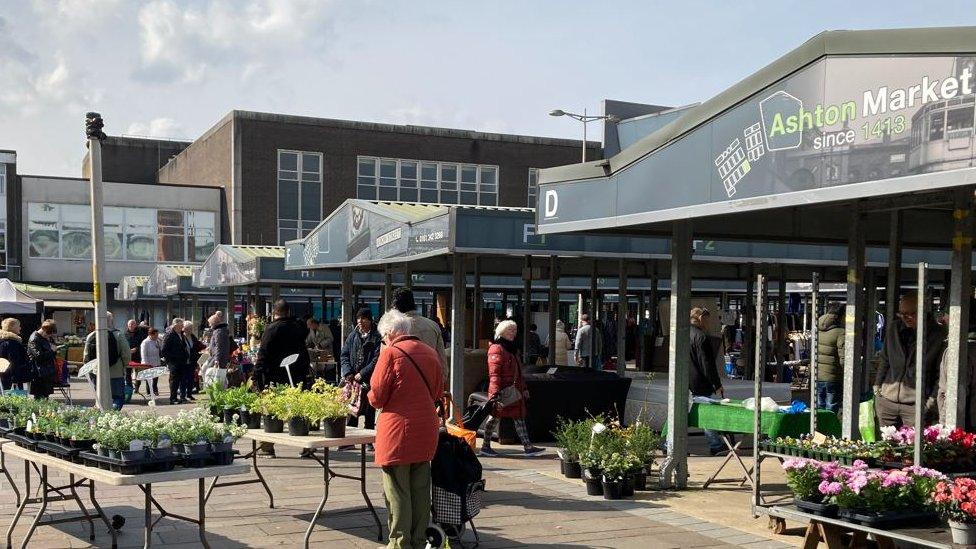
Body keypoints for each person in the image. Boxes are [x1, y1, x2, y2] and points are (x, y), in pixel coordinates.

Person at [368, 309, 444, 549]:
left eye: (383, 338)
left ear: (390, 333)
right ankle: (419, 540)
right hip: (426, 429)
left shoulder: (391, 354)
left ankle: (399, 543)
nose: (384, 342)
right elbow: (437, 392)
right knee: (420, 489)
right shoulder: (431, 353)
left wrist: (367, 395)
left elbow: (378, 397)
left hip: (398, 431)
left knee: (397, 489)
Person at [875, 294, 947, 428]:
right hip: (887, 401)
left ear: (924, 312)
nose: (906, 318)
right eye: (902, 314)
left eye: (911, 314)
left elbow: (940, 374)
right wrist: (877, 388)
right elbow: (885, 360)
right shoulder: (894, 329)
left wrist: (929, 403)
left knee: (912, 447)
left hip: (916, 405)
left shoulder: (937, 335)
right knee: (886, 446)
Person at [480, 320, 545, 458]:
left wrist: (524, 388)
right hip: (503, 391)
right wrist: (495, 393)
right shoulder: (497, 348)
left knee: (518, 417)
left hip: (513, 390)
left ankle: (527, 447)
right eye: (510, 330)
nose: (513, 333)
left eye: (514, 330)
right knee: (494, 418)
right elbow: (494, 374)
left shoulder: (512, 349)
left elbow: (519, 372)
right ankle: (486, 446)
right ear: (502, 331)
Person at [689, 307, 726, 456]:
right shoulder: (701, 337)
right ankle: (715, 444)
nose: (709, 323)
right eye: (707, 320)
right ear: (701, 319)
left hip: (684, 381)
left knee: (682, 413)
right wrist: (717, 384)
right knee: (706, 414)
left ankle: (669, 442)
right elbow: (707, 365)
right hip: (700, 382)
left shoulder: (682, 334)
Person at [392, 288, 450, 382]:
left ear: (395, 307)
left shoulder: (393, 328)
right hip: (429, 381)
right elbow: (442, 361)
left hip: (403, 384)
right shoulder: (433, 325)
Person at [340, 308, 382, 433]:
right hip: (353, 381)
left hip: (369, 381)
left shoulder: (377, 337)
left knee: (369, 412)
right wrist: (348, 372)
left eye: (363, 318)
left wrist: (362, 373)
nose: (360, 321)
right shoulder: (353, 336)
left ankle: (368, 442)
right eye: (358, 318)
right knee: (352, 412)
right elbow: (344, 355)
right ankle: (349, 442)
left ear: (370, 320)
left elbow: (377, 359)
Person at [937, 298, 976, 430]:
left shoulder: (957, 351)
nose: (944, 319)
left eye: (947, 314)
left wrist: (944, 425)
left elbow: (954, 394)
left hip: (966, 423)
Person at [255, 299, 311, 389]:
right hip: (297, 374)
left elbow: (263, 354)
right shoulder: (298, 327)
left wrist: (256, 374)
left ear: (274, 312)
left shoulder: (271, 329)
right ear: (288, 312)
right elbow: (303, 349)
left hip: (276, 375)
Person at [83, 313, 131, 410]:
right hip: (116, 372)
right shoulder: (118, 335)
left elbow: (86, 357)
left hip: (98, 373)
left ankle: (102, 417)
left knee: (100, 398)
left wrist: (92, 370)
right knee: (118, 397)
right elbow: (126, 354)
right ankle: (113, 413)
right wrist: (123, 365)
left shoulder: (91, 336)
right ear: (111, 321)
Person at [815, 302, 846, 414]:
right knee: (831, 406)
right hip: (833, 376)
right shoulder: (840, 332)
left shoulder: (817, 329)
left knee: (819, 406)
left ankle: (819, 429)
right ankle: (829, 429)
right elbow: (843, 357)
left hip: (817, 374)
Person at [161, 318, 190, 404]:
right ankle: (172, 398)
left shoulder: (181, 334)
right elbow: (164, 350)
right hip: (173, 362)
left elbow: (183, 347)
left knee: (180, 379)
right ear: (175, 325)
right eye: (181, 325)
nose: (182, 327)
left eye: (182, 325)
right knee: (174, 380)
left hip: (181, 361)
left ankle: (178, 397)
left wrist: (185, 356)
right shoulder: (169, 335)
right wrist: (170, 360)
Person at [27, 320, 58, 399]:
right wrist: (52, 351)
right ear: (44, 329)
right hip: (39, 373)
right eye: (48, 334)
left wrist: (54, 351)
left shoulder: (43, 338)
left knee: (45, 396)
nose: (49, 336)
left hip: (46, 372)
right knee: (39, 397)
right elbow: (39, 357)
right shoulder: (34, 339)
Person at [0, 318, 30, 392]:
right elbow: (13, 362)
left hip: (3, 376)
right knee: (15, 399)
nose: (20, 328)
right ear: (12, 327)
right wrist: (15, 379)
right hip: (13, 378)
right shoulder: (13, 343)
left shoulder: (3, 341)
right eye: (18, 326)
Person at [183, 322, 205, 399]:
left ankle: (189, 394)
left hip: (192, 360)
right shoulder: (181, 337)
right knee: (184, 378)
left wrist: (205, 347)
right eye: (188, 328)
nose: (190, 330)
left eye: (191, 328)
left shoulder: (192, 336)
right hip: (184, 361)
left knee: (191, 378)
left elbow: (198, 345)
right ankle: (183, 395)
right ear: (184, 329)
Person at [124, 319, 148, 392]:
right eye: (129, 325)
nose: (131, 326)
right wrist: (128, 350)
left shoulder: (140, 333)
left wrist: (137, 348)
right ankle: (129, 387)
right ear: (127, 325)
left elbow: (143, 343)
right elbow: (123, 345)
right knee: (128, 373)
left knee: (138, 373)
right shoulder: (125, 334)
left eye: (132, 324)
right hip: (128, 356)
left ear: (135, 325)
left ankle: (137, 387)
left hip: (138, 355)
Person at [138, 328, 162, 397]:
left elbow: (158, 351)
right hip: (148, 363)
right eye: (156, 335)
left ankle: (155, 390)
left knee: (155, 378)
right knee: (149, 378)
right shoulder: (145, 342)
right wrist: (145, 364)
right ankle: (149, 391)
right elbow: (143, 354)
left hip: (156, 361)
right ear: (151, 334)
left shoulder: (157, 341)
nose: (157, 336)